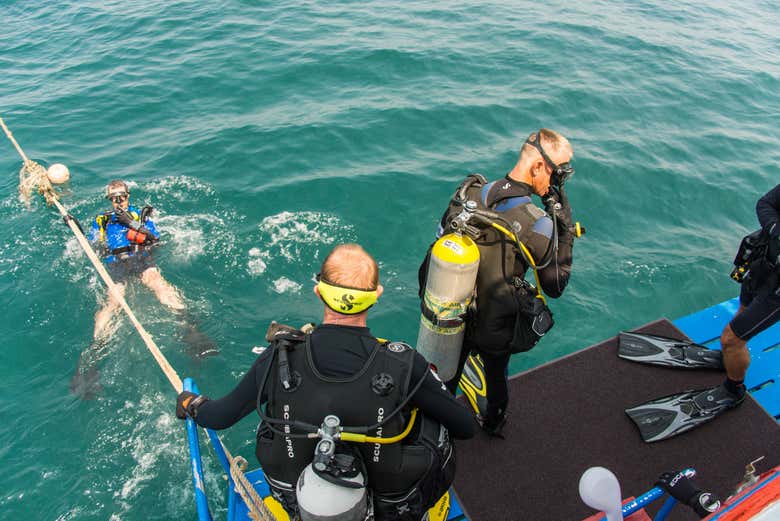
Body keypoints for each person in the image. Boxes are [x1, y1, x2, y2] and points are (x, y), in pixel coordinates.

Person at [176, 244, 475, 521]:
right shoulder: (404, 363)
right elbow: (464, 426)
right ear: (377, 294)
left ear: (319, 292)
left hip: (297, 501)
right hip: (391, 507)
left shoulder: (279, 357)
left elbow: (219, 417)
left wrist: (193, 404)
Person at [423, 128, 578, 436]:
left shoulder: (468, 192)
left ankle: (436, 432)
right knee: (496, 379)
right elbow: (555, 286)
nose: (558, 183)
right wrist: (565, 227)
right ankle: (493, 423)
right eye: (559, 174)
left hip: (451, 307)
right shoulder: (538, 223)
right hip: (493, 326)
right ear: (538, 167)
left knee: (445, 379)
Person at [71, 180, 215, 397]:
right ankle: (93, 354)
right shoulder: (101, 221)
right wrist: (83, 234)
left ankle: (190, 327)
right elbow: (94, 246)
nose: (119, 201)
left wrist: (133, 224)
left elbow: (155, 238)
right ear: (109, 199)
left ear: (128, 196)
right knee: (114, 299)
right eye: (114, 197)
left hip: (141, 258)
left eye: (122, 196)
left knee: (154, 280)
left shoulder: (141, 215)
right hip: (116, 263)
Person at [719, 183, 780, 404]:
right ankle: (729, 357)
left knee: (731, 339)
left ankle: (733, 389)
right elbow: (765, 203)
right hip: (763, 265)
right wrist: (775, 230)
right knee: (743, 309)